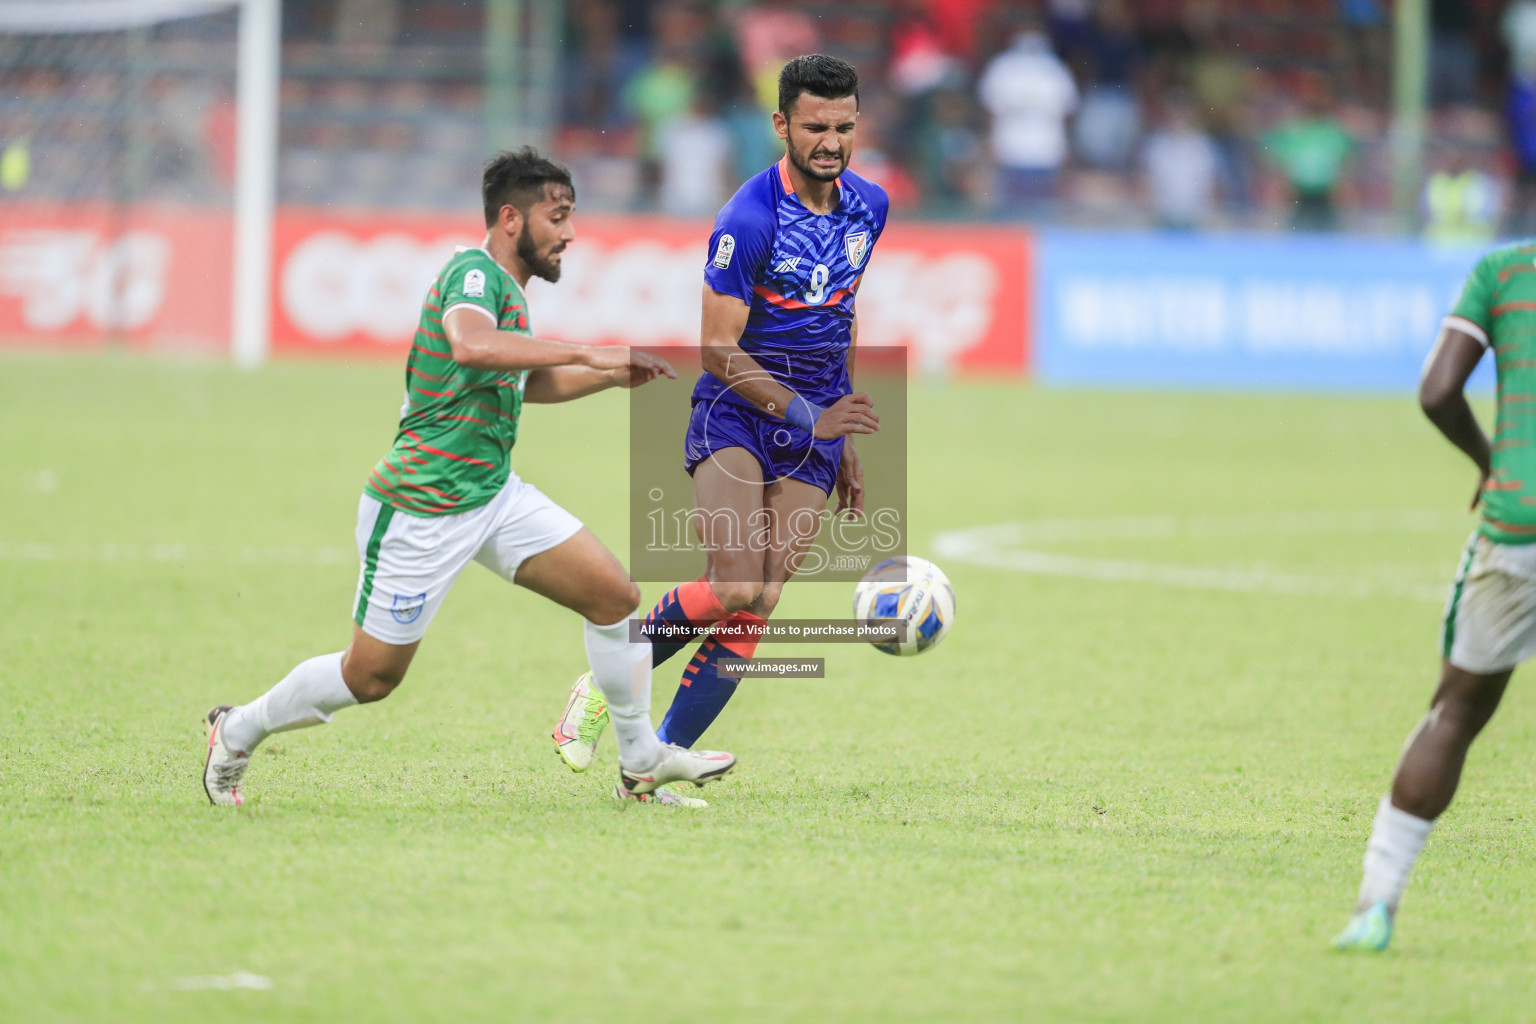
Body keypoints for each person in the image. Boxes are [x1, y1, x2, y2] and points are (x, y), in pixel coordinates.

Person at [202, 148, 736, 808]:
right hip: (423, 505)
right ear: (512, 218)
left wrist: (604, 378)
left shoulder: (511, 293)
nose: (570, 233)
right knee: (370, 677)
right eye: (558, 216)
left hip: (492, 493)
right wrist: (586, 348)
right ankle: (237, 729)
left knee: (614, 598)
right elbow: (470, 345)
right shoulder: (475, 275)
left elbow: (519, 378)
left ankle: (640, 766)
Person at [551, 54, 885, 806]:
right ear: (781, 126)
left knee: (761, 601)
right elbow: (716, 350)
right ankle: (606, 679)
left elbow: (843, 309)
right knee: (734, 582)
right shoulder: (749, 217)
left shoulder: (871, 207)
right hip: (737, 410)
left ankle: (652, 765)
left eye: (843, 127)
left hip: (819, 427)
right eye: (815, 128)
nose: (830, 142)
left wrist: (847, 433)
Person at [1333, 243, 1532, 951]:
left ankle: (1374, 908)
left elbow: (1437, 391)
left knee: (1455, 711)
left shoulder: (1505, 272)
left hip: (1520, 525)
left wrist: (1490, 460)